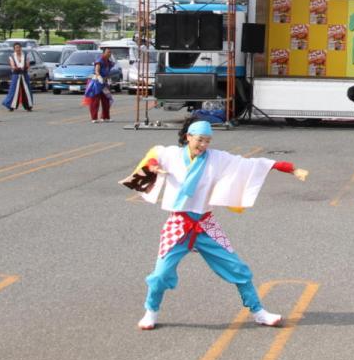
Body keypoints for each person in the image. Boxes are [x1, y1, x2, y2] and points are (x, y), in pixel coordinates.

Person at [121, 119, 309, 331]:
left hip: (205, 224)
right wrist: (154, 167)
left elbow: (251, 164)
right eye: (199, 140)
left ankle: (258, 311)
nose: (203, 145)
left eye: (208, 141)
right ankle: (151, 311)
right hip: (179, 223)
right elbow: (153, 156)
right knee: (160, 274)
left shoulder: (217, 159)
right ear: (188, 137)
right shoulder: (171, 155)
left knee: (237, 268)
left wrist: (289, 168)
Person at [85, 47, 114, 123]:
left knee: (106, 100)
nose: (109, 54)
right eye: (108, 52)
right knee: (95, 101)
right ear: (104, 53)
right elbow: (97, 71)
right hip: (96, 83)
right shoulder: (99, 60)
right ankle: (94, 118)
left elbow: (108, 72)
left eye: (110, 52)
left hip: (104, 84)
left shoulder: (109, 62)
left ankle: (105, 117)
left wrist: (109, 79)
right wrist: (99, 77)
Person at [4, 42, 33, 112]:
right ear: (14, 49)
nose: (18, 49)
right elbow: (12, 65)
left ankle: (28, 106)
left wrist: (25, 67)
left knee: (26, 90)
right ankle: (11, 106)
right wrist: (16, 68)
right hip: (16, 74)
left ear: (21, 48)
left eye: (19, 47)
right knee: (13, 90)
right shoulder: (12, 56)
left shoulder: (25, 55)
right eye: (16, 48)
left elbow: (28, 64)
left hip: (24, 74)